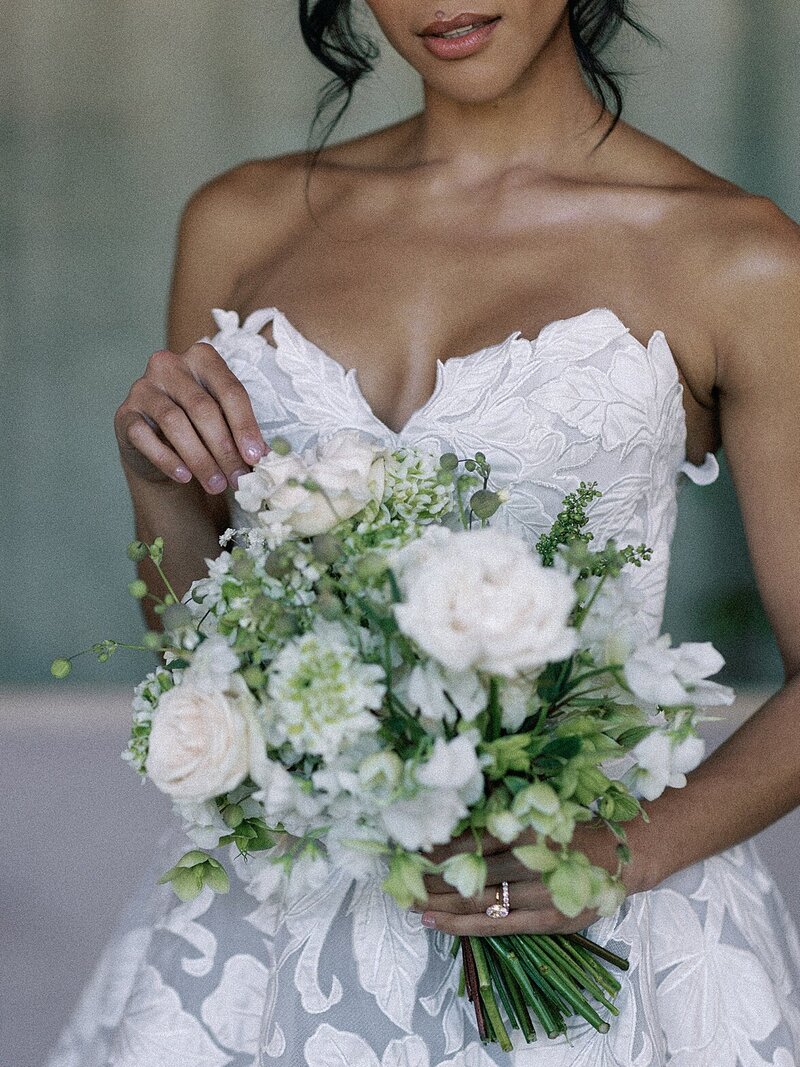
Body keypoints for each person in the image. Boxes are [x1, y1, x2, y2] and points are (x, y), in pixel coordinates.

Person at [48, 2, 800, 1064]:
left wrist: (617, 852)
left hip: (583, 917)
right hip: (276, 930)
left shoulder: (738, 259)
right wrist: (159, 482)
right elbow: (200, 651)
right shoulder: (241, 221)